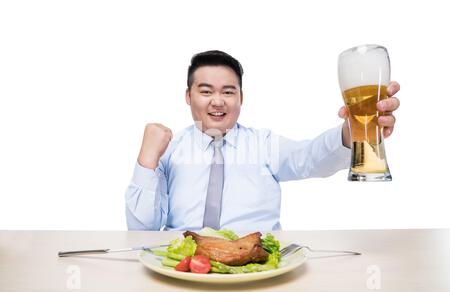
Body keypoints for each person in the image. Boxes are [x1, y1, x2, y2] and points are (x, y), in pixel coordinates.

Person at [125, 50, 400, 231]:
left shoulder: (263, 144)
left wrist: (351, 131)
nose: (218, 101)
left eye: (229, 92)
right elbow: (141, 232)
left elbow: (309, 158)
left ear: (241, 98)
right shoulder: (169, 150)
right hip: (183, 269)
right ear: (188, 96)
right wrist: (146, 160)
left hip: (258, 268)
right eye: (206, 91)